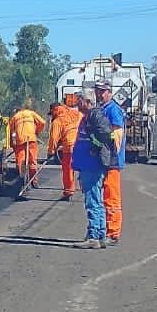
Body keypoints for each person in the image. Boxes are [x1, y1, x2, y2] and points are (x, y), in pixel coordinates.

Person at [90, 80, 127, 244]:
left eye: (102, 91)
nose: (99, 94)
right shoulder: (101, 109)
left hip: (111, 160)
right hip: (103, 160)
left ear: (109, 92)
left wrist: (111, 155)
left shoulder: (113, 110)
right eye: (97, 91)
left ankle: (113, 233)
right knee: (103, 196)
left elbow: (116, 136)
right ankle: (104, 230)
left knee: (111, 196)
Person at [70, 94, 107, 247]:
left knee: (92, 200)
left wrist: (94, 148)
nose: (77, 104)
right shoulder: (89, 117)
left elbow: (105, 136)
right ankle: (100, 234)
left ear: (88, 102)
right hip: (87, 164)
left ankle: (93, 237)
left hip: (91, 165)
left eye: (80, 101)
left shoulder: (94, 116)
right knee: (96, 200)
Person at [47, 94, 82, 200]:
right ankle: (85, 186)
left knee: (68, 169)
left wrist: (51, 152)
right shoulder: (76, 113)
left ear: (54, 110)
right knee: (83, 167)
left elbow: (53, 138)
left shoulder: (57, 121)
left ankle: (68, 191)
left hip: (69, 146)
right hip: (81, 144)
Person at [9, 98, 47, 193]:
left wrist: (12, 144)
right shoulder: (31, 113)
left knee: (20, 160)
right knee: (32, 160)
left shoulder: (15, 117)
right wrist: (37, 131)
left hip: (20, 140)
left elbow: (11, 131)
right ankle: (34, 181)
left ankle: (21, 179)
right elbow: (43, 122)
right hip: (31, 138)